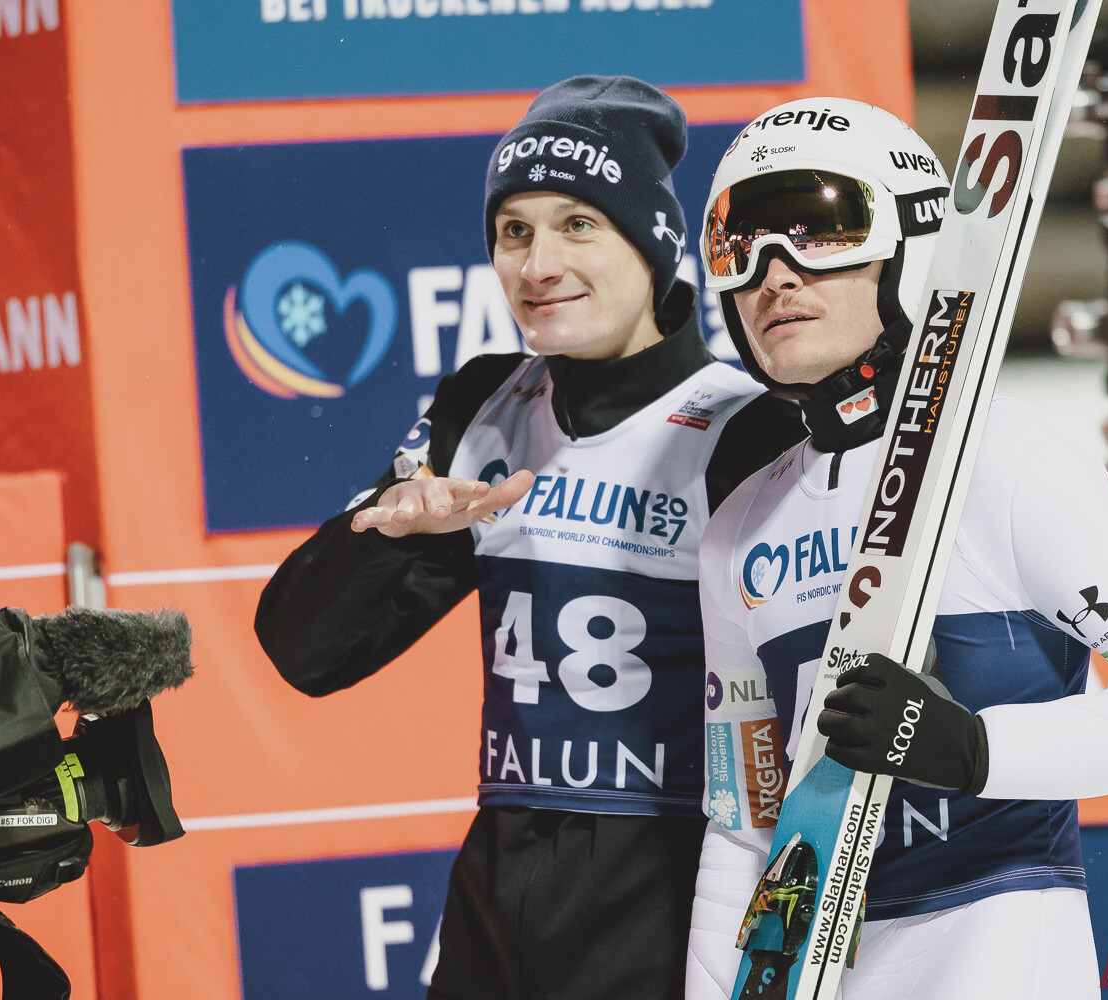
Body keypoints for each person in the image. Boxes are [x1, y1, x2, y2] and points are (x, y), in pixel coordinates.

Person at [685, 98, 1108, 999]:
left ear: (912, 249)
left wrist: (971, 749)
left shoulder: (1003, 459)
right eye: (739, 244)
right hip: (825, 971)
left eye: (821, 229)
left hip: (999, 949)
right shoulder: (739, 527)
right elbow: (743, 822)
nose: (775, 273)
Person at [254, 75, 804, 1000]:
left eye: (578, 225)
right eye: (515, 231)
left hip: (671, 900)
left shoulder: (747, 428)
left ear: (654, 244)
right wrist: (387, 537)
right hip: (495, 898)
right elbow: (306, 654)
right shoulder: (486, 404)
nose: (538, 265)